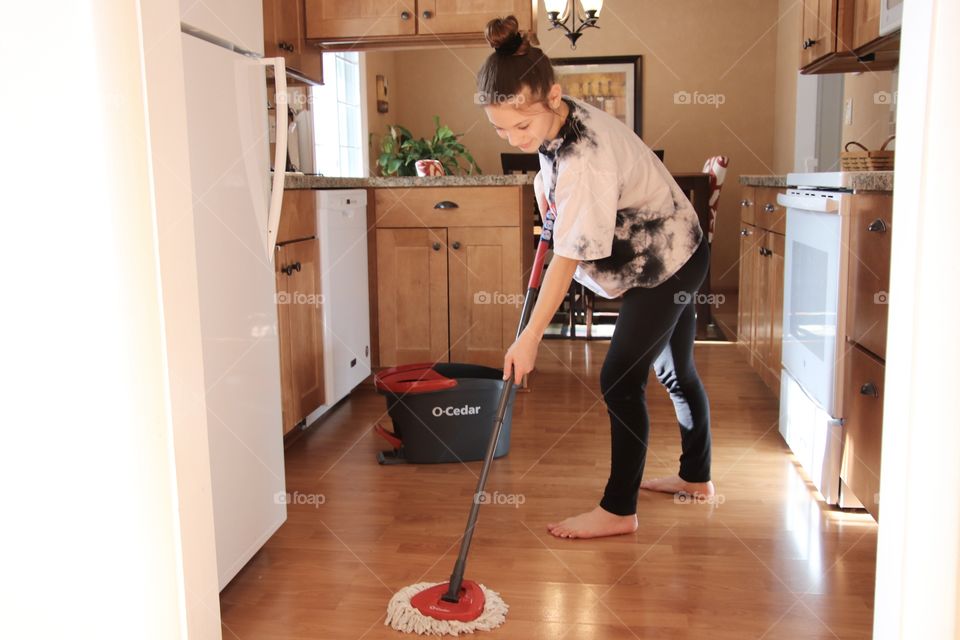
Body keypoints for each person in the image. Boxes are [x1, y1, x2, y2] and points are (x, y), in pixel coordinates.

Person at [477, 16, 716, 540]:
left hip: (666, 262)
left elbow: (566, 258)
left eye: (522, 126)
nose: (515, 138)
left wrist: (529, 336)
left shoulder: (587, 156)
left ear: (554, 97)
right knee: (675, 373)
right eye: (501, 128)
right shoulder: (559, 117)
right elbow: (549, 161)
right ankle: (696, 478)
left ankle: (618, 510)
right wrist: (546, 187)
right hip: (677, 249)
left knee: (619, 380)